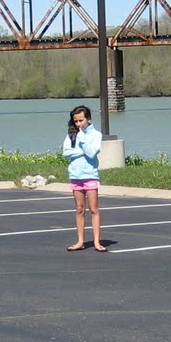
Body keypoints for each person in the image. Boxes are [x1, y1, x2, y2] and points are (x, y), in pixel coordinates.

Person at [62, 104, 106, 251]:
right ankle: (80, 241)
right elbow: (66, 153)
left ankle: (96, 242)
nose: (78, 124)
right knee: (80, 209)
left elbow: (92, 153)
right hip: (75, 175)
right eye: (76, 121)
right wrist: (81, 149)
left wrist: (82, 140)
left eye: (81, 120)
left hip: (90, 175)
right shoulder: (71, 134)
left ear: (88, 119)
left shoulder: (96, 135)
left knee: (93, 209)